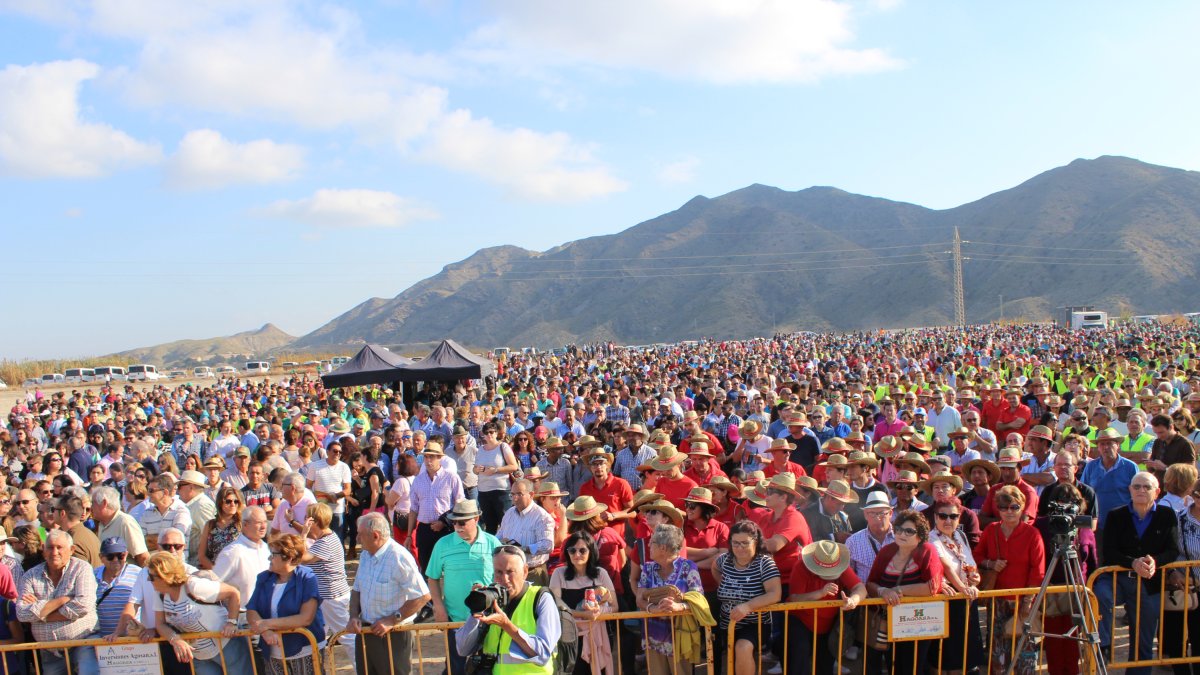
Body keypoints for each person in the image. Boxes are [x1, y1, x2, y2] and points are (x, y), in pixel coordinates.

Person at [1094, 471, 1179, 675]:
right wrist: (1132, 562)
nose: (1141, 490)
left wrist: (1154, 562)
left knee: (1143, 642)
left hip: (1149, 583)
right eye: (1137, 486)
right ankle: (1103, 646)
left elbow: (1172, 550)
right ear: (1130, 490)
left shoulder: (1167, 516)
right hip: (1118, 577)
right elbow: (1110, 551)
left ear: (1157, 492)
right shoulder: (1116, 515)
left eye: (1147, 487)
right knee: (1100, 595)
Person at [454, 545, 563, 675]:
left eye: (510, 572)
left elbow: (542, 653)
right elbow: (463, 649)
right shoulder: (491, 599)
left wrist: (506, 625)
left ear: (525, 572)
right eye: (499, 572)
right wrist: (476, 611)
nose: (504, 579)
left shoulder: (540, 598)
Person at [973, 485, 1046, 675]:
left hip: (1023, 600)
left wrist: (1028, 602)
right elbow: (977, 556)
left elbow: (1038, 571)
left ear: (1022, 507)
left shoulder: (1032, 534)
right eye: (1003, 507)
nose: (1009, 512)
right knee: (998, 653)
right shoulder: (991, 530)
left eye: (1014, 507)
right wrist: (990, 563)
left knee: (1025, 652)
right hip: (997, 601)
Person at [348, 512, 431, 675]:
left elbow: (422, 595)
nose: (357, 538)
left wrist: (392, 620)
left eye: (360, 534)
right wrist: (353, 616)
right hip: (366, 632)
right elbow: (356, 589)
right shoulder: (366, 554)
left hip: (394, 635)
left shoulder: (399, 557)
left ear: (375, 535)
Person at [426, 499, 502, 675]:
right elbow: (432, 577)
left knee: (486, 668)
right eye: (453, 522)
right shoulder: (442, 544)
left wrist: (489, 590)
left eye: (462, 522)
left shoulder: (493, 543)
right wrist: (439, 607)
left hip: (487, 619)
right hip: (456, 620)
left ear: (476, 519)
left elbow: (502, 579)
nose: (457, 526)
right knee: (455, 668)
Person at [145, 550, 252, 675]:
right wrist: (175, 639)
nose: (148, 579)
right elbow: (160, 624)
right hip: (199, 655)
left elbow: (233, 593)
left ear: (164, 575)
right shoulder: (159, 594)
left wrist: (232, 622)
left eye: (151, 576)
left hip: (227, 646)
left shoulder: (193, 586)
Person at [865, 510, 944, 675]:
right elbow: (870, 583)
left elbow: (933, 586)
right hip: (886, 622)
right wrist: (883, 590)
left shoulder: (927, 550)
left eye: (909, 531)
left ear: (920, 535)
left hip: (917, 621)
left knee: (912, 667)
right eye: (899, 529)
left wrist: (898, 591)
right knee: (893, 666)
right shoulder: (886, 551)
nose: (902, 533)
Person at [1033, 484, 1098, 675]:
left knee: (1075, 641)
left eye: (1073, 502)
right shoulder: (1042, 525)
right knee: (1054, 641)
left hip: (1078, 589)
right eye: (1062, 500)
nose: (1067, 505)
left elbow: (1092, 561)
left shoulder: (1084, 527)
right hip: (1052, 588)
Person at [16, 529, 100, 675]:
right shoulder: (31, 575)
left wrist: (42, 613)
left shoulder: (82, 569)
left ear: (72, 550)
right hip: (50, 650)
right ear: (43, 550)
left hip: (83, 642)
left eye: (59, 547)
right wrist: (63, 600)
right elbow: (22, 613)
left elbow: (82, 606)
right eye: (50, 547)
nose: (54, 552)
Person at [246, 534, 326, 675]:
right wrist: (265, 631)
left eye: (273, 554)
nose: (269, 558)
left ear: (289, 557)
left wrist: (267, 624)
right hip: (273, 651)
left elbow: (306, 618)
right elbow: (251, 610)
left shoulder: (307, 578)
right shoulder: (264, 578)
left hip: (304, 648)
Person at [711, 520, 781, 675]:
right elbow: (714, 567)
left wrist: (747, 606)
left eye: (744, 543)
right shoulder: (725, 560)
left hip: (755, 622)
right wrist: (722, 584)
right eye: (735, 543)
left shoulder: (765, 563)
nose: (739, 547)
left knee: (742, 648)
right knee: (733, 660)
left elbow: (775, 593)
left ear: (755, 541)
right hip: (727, 622)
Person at [787, 540, 865, 675]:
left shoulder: (842, 565)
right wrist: (820, 593)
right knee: (799, 658)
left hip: (829, 626)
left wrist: (853, 600)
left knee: (825, 665)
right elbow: (794, 598)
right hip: (801, 622)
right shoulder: (800, 566)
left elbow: (860, 588)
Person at [635, 524, 704, 675]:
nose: (648, 545)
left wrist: (679, 607)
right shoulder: (648, 568)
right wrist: (654, 609)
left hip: (680, 637)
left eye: (651, 542)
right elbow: (639, 599)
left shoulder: (688, 567)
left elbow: (700, 599)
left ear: (663, 548)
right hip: (653, 637)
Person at [927, 497, 985, 675]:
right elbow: (945, 566)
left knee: (964, 654)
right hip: (948, 598)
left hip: (966, 598)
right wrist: (963, 588)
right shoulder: (931, 537)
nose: (947, 520)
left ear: (959, 518)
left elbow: (968, 563)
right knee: (946, 655)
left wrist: (975, 579)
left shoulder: (961, 535)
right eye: (943, 516)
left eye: (953, 516)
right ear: (935, 517)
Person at [549, 531, 618, 675]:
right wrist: (583, 614)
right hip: (570, 638)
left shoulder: (601, 574)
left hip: (599, 637)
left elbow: (614, 606)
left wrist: (598, 613)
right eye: (572, 550)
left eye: (582, 550)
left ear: (591, 551)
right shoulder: (558, 574)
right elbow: (555, 606)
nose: (577, 554)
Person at [409, 442, 464, 573]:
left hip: (446, 529)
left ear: (440, 458)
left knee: (448, 568)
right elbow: (413, 509)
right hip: (424, 529)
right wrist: (409, 535)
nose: (428, 460)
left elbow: (460, 505)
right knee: (426, 569)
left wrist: (444, 522)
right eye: (426, 456)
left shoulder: (451, 478)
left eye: (432, 457)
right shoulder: (418, 480)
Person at [1166, 477, 1200, 675]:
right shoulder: (1178, 519)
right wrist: (1172, 572)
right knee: (1175, 640)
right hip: (1181, 588)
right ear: (1194, 496)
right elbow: (1168, 549)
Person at [211, 506, 271, 615]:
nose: (263, 527)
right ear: (245, 524)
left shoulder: (267, 549)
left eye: (265, 522)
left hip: (266, 616)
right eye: (258, 523)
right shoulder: (232, 552)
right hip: (242, 619)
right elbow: (214, 586)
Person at [497, 479, 556, 585]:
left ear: (531, 494)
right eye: (512, 494)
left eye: (519, 494)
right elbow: (499, 536)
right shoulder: (509, 513)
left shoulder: (542, 516)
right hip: (510, 571)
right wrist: (501, 543)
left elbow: (547, 545)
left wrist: (523, 549)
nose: (515, 498)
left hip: (533, 572)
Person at [1080, 427, 1139, 532]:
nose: (1106, 447)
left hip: (1123, 524)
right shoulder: (1091, 466)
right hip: (1097, 525)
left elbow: (1137, 496)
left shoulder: (1130, 467)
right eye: (1102, 444)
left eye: (1109, 443)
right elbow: (1083, 493)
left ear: (1118, 445)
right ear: (1098, 447)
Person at [474, 422, 521, 533]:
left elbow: (514, 466)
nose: (489, 435)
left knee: (506, 524)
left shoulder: (503, 446)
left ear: (496, 433)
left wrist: (495, 470)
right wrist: (476, 470)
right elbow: (474, 469)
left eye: (491, 432)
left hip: (501, 491)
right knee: (489, 526)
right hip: (483, 491)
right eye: (486, 433)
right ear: (483, 435)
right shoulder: (480, 449)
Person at [94, 537, 141, 638]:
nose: (115, 560)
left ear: (126, 554)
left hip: (133, 639)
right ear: (101, 557)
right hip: (102, 639)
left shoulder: (139, 573)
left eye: (120, 555)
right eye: (110, 556)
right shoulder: (91, 576)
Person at [306, 441, 353, 540]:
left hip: (337, 508)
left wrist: (337, 496)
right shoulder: (315, 466)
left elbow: (348, 489)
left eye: (340, 452)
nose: (338, 454)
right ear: (327, 452)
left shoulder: (344, 467)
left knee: (338, 536)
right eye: (335, 451)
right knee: (319, 536)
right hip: (320, 508)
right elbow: (308, 486)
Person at [142, 473, 193, 553]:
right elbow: (140, 542)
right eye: (148, 490)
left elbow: (174, 541)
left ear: (165, 492)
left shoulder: (181, 512)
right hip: (153, 562)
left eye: (151, 491)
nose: (148, 494)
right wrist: (164, 541)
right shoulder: (146, 513)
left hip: (174, 562)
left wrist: (150, 539)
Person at [199, 485, 243, 569]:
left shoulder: (241, 524)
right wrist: (216, 571)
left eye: (236, 501)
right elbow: (202, 556)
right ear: (220, 503)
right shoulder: (210, 525)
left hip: (235, 570)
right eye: (228, 501)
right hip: (213, 571)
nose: (233, 504)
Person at [53, 494, 100, 566]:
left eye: (53, 509)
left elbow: (79, 574)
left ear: (62, 513)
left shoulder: (73, 541)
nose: (52, 513)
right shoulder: (88, 534)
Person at [272, 472, 316, 536]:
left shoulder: (311, 507)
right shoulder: (282, 505)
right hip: (285, 546)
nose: (281, 488)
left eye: (283, 485)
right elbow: (273, 533)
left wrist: (292, 522)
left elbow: (314, 535)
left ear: (292, 488)